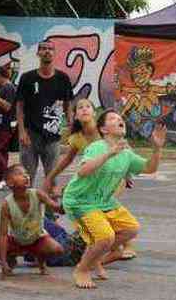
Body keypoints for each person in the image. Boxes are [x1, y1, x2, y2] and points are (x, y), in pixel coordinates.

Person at [62, 109, 166, 289]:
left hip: (104, 202)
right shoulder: (96, 147)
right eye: (113, 118)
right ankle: (82, 269)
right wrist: (110, 153)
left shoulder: (126, 153)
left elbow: (150, 168)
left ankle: (94, 257)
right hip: (80, 201)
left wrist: (157, 148)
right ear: (103, 129)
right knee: (105, 237)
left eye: (120, 118)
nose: (119, 120)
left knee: (130, 229)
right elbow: (83, 171)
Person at [0, 164, 64, 276]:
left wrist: (64, 202)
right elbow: (4, 234)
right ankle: (4, 256)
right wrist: (4, 263)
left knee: (57, 249)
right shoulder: (7, 204)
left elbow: (57, 208)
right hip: (16, 240)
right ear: (10, 183)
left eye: (26, 174)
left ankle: (40, 260)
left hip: (37, 238)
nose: (26, 176)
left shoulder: (37, 194)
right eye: (21, 174)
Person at [16, 40, 73, 189]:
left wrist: (71, 128)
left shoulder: (63, 79)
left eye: (50, 49)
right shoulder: (27, 78)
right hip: (30, 135)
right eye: (43, 49)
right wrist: (22, 131)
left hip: (53, 137)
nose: (47, 51)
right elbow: (19, 106)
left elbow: (68, 106)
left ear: (54, 53)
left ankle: (49, 212)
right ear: (38, 53)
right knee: (26, 178)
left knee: (52, 177)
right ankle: (28, 211)